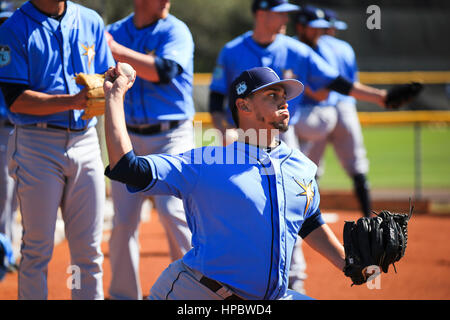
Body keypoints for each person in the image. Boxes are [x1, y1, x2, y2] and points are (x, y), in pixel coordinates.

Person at [103, 64, 346, 300]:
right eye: (272, 95)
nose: (284, 102)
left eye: (284, 96)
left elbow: (309, 221)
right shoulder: (206, 164)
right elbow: (127, 169)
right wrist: (114, 96)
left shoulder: (302, 167)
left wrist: (350, 264)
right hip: (198, 293)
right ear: (243, 105)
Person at [208, 0, 387, 295]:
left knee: (293, 204)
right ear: (262, 13)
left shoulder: (294, 48)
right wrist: (224, 131)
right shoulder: (232, 51)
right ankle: (232, 277)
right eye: (281, 13)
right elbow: (216, 99)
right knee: (236, 206)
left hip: (281, 138)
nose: (286, 20)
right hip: (237, 140)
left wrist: (379, 97)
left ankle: (294, 278)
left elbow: (337, 82)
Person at [0, 0, 115, 299]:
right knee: (37, 249)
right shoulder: (15, 28)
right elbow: (16, 99)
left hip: (86, 140)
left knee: (88, 251)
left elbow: (105, 75)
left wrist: (117, 79)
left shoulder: (90, 21)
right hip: (37, 143)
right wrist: (72, 101)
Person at [105, 0, 195, 300]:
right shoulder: (114, 31)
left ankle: (190, 292)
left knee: (174, 212)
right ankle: (123, 295)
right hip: (128, 137)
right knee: (123, 221)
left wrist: (117, 50)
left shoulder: (176, 30)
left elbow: (165, 70)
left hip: (171, 136)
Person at [293, 5, 372, 217]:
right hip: (343, 107)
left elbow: (322, 91)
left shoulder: (308, 46)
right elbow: (350, 81)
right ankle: (368, 216)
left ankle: (308, 215)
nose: (329, 31)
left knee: (310, 168)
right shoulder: (343, 47)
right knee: (357, 165)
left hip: (317, 111)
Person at [0, 2, 18, 268]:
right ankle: (6, 252)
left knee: (11, 196)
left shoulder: (16, 48)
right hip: (3, 130)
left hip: (18, 127)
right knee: (5, 193)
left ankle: (8, 250)